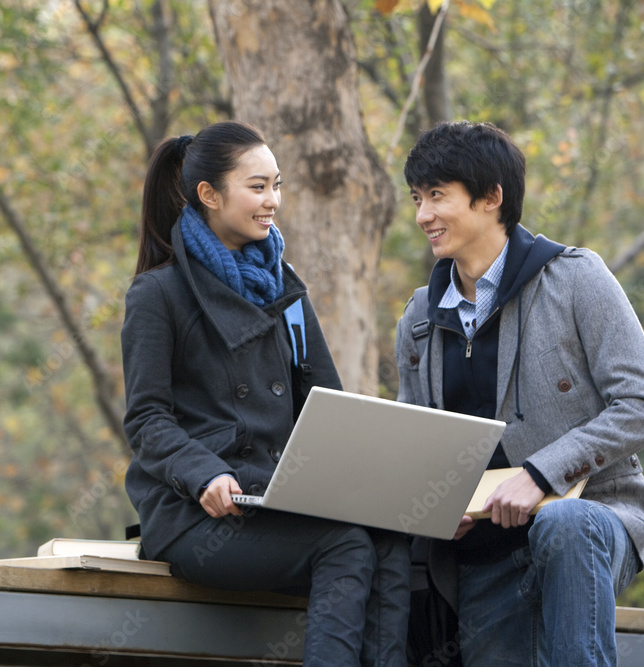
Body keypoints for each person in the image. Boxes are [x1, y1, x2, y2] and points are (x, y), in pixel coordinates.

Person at [122, 120, 411, 666]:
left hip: (281, 496)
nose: (273, 200)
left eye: (277, 185)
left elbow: (329, 408)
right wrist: (204, 472)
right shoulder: (157, 293)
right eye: (258, 187)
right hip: (200, 516)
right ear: (209, 195)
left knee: (391, 538)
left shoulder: (286, 287)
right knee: (346, 544)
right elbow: (146, 421)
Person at [394, 120, 644, 665]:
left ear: (491, 198)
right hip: (479, 557)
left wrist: (541, 474)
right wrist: (431, 503)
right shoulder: (418, 318)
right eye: (417, 198)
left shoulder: (576, 279)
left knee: (564, 523)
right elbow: (415, 439)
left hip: (596, 516)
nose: (423, 215)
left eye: (437, 196)